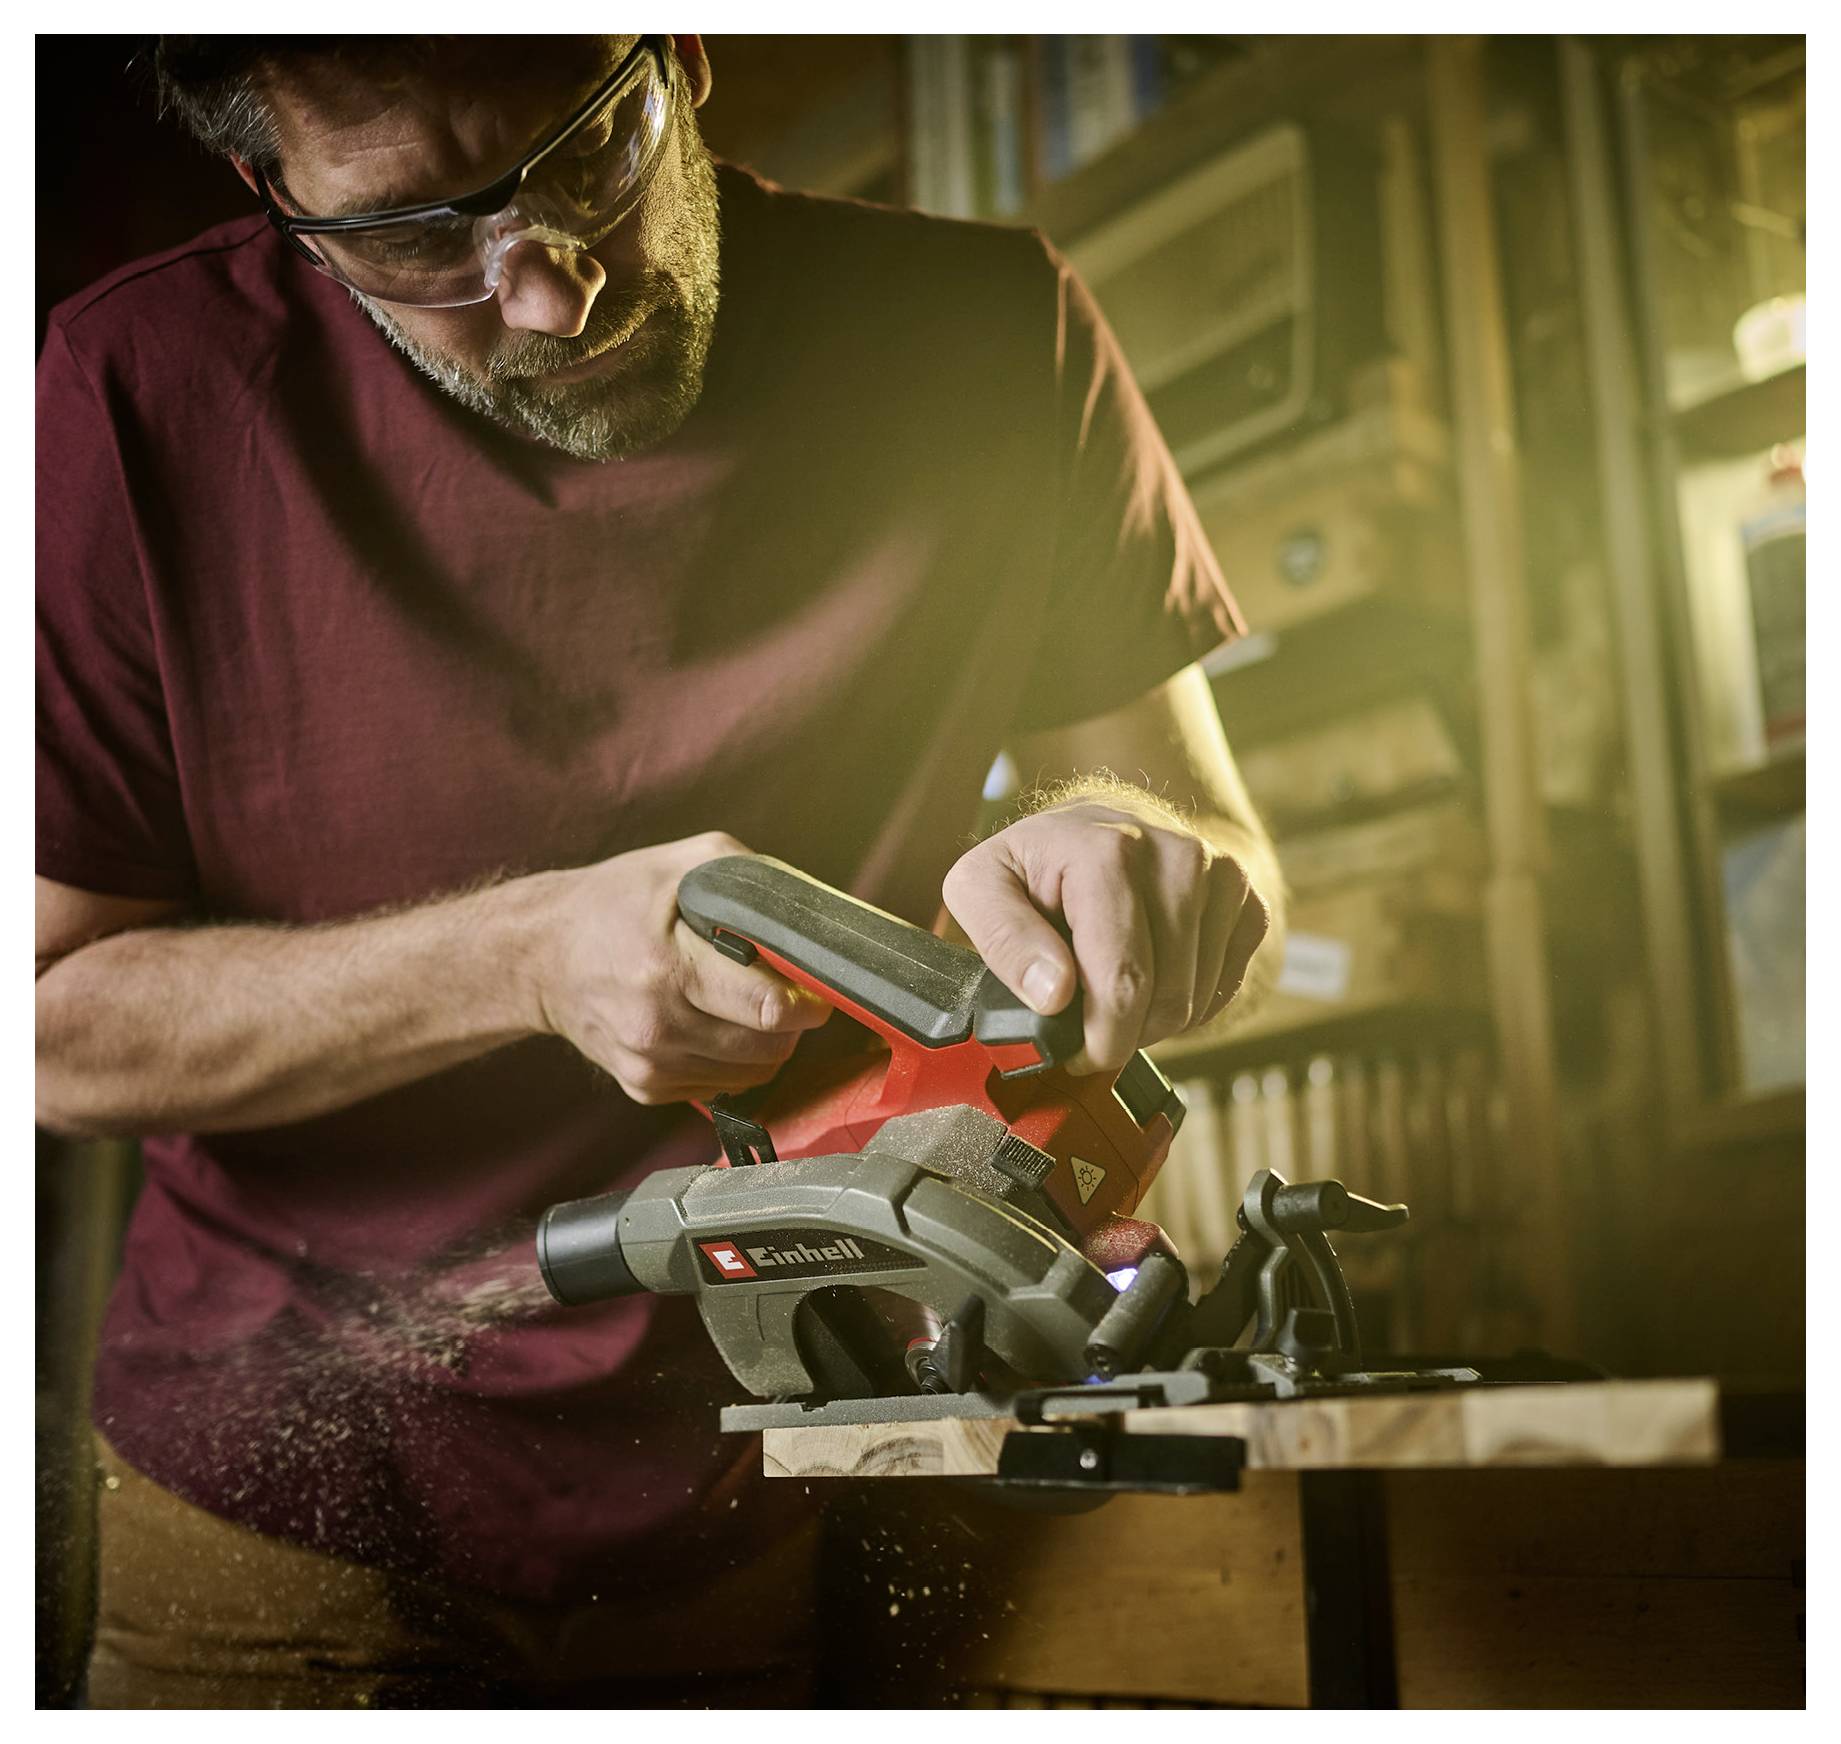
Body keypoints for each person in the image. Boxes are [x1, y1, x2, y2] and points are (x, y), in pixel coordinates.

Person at [35, 33, 1283, 1708]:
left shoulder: (995, 335)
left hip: (805, 1455)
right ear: (270, 195)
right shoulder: (132, 388)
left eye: (585, 152)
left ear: (678, 51)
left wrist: (1137, 852)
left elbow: (1218, 851)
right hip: (283, 1495)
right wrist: (527, 957)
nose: (548, 290)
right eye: (412, 236)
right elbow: (48, 1026)